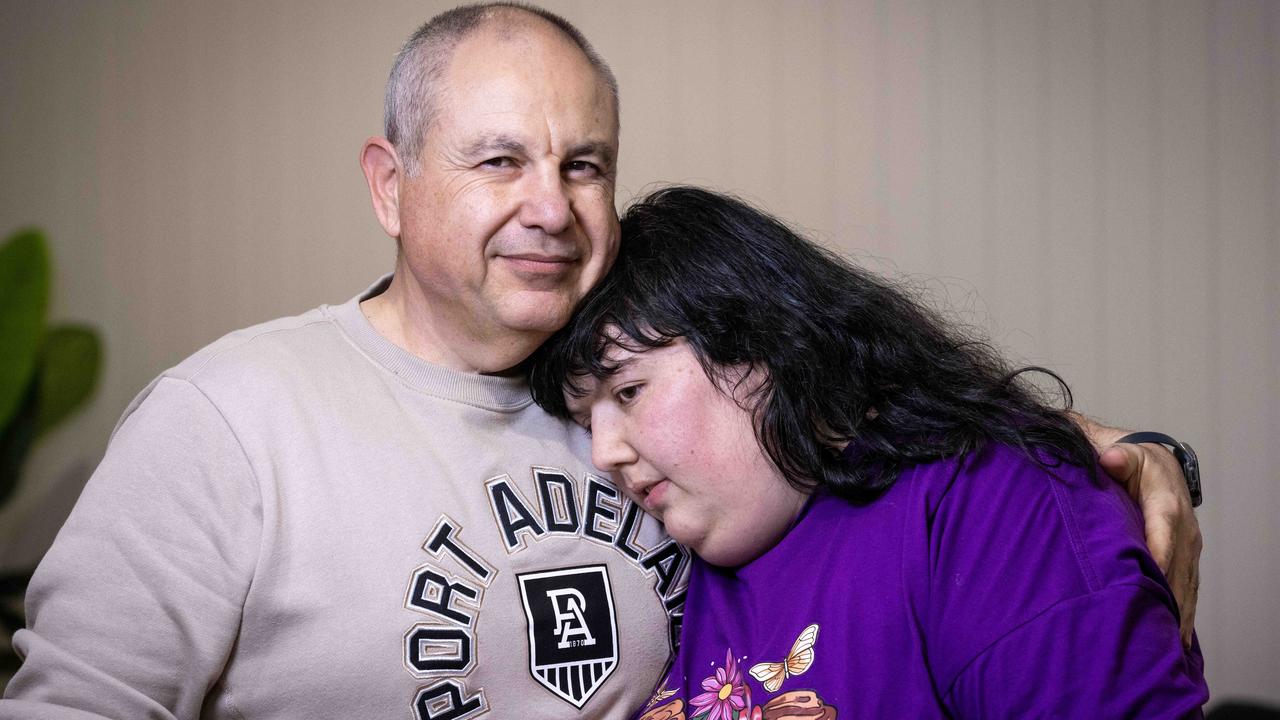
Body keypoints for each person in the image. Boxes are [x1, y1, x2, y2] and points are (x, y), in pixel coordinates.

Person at [0, 4, 1199, 719]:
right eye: (496, 162)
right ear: (388, 184)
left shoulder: (666, 424)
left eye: (583, 165)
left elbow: (891, 438)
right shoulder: (231, 418)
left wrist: (1113, 456)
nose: (550, 208)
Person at [528, 186, 1209, 718]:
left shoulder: (988, 510)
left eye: (629, 390)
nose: (605, 453)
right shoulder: (675, 557)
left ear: (758, 343)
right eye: (587, 420)